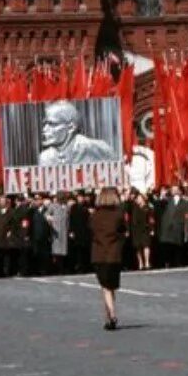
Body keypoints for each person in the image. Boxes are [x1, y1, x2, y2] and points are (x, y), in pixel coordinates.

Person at [90, 187, 127, 331]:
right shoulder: (118, 215)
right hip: (114, 253)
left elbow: (91, 231)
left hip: (99, 253)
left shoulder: (95, 216)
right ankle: (109, 315)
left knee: (105, 287)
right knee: (111, 286)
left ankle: (111, 315)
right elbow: (123, 230)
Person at [38, 101, 115, 167]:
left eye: (52, 124)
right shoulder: (45, 157)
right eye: (45, 124)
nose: (44, 129)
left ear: (71, 127)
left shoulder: (96, 148)